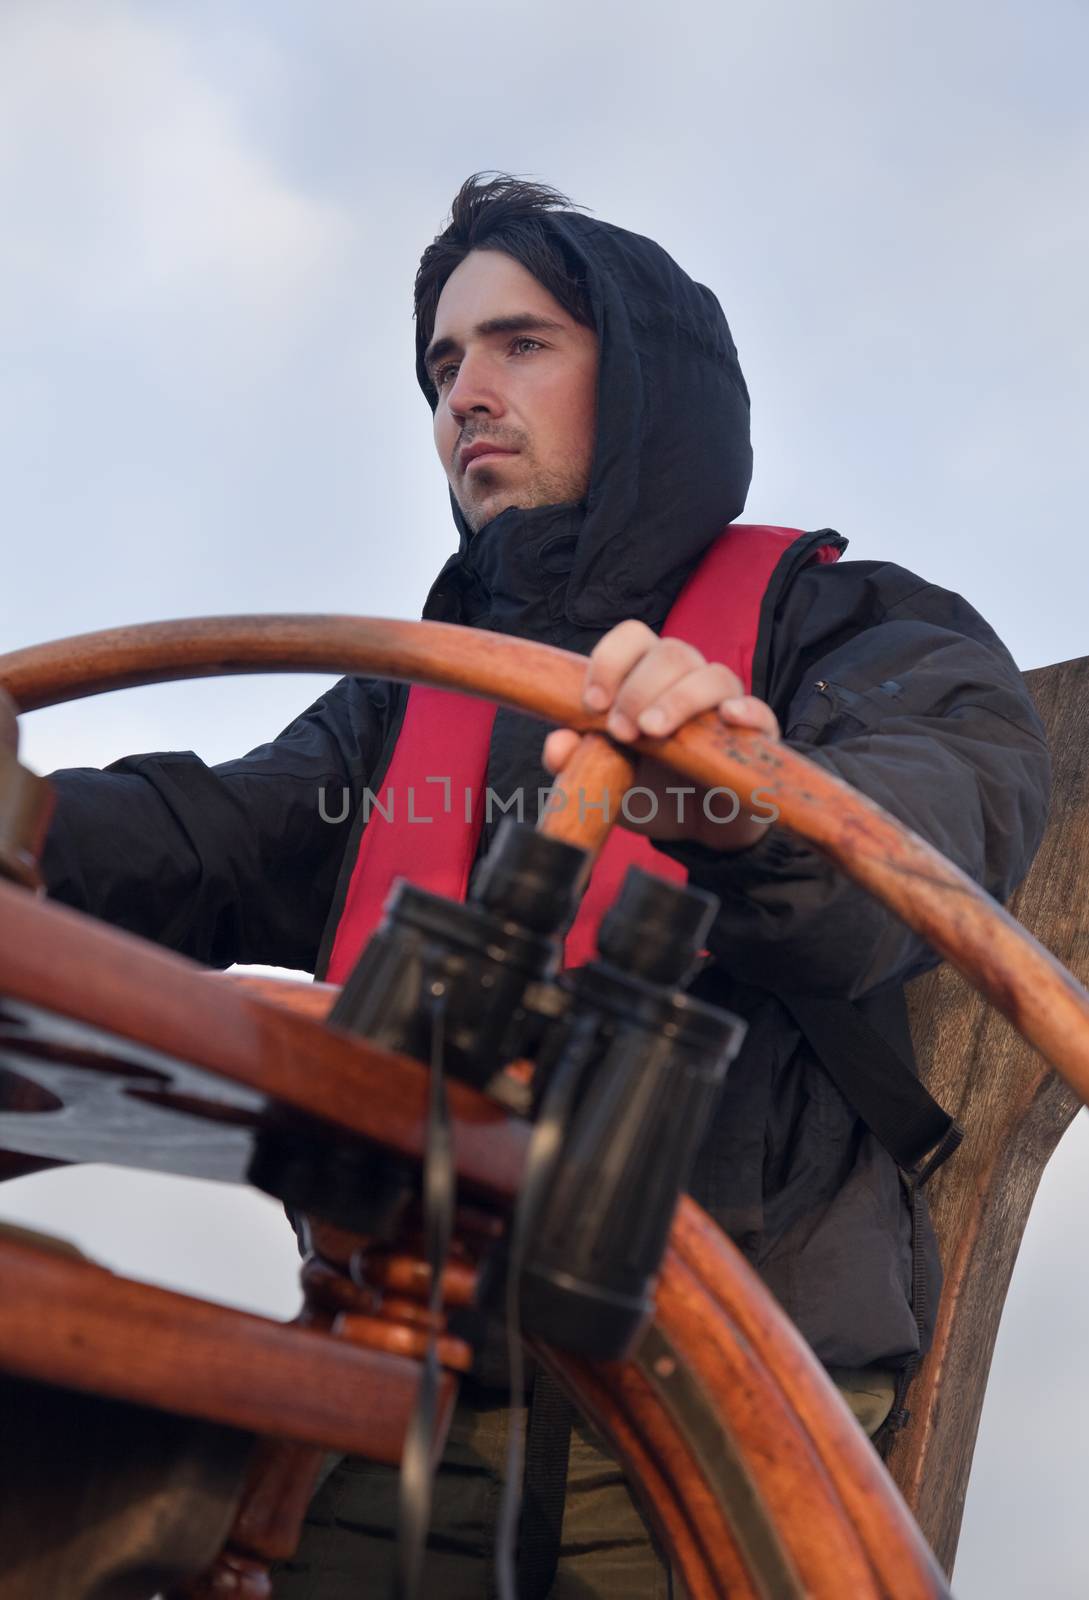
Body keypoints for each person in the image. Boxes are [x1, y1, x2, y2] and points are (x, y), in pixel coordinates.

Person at [39, 174, 1050, 1597]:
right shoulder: (398, 705)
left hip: (715, 1418)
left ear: (645, 380)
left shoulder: (851, 624)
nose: (464, 394)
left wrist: (743, 796)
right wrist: (31, 817)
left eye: (519, 344)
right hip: (404, 1391)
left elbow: (940, 819)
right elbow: (207, 837)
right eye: (443, 364)